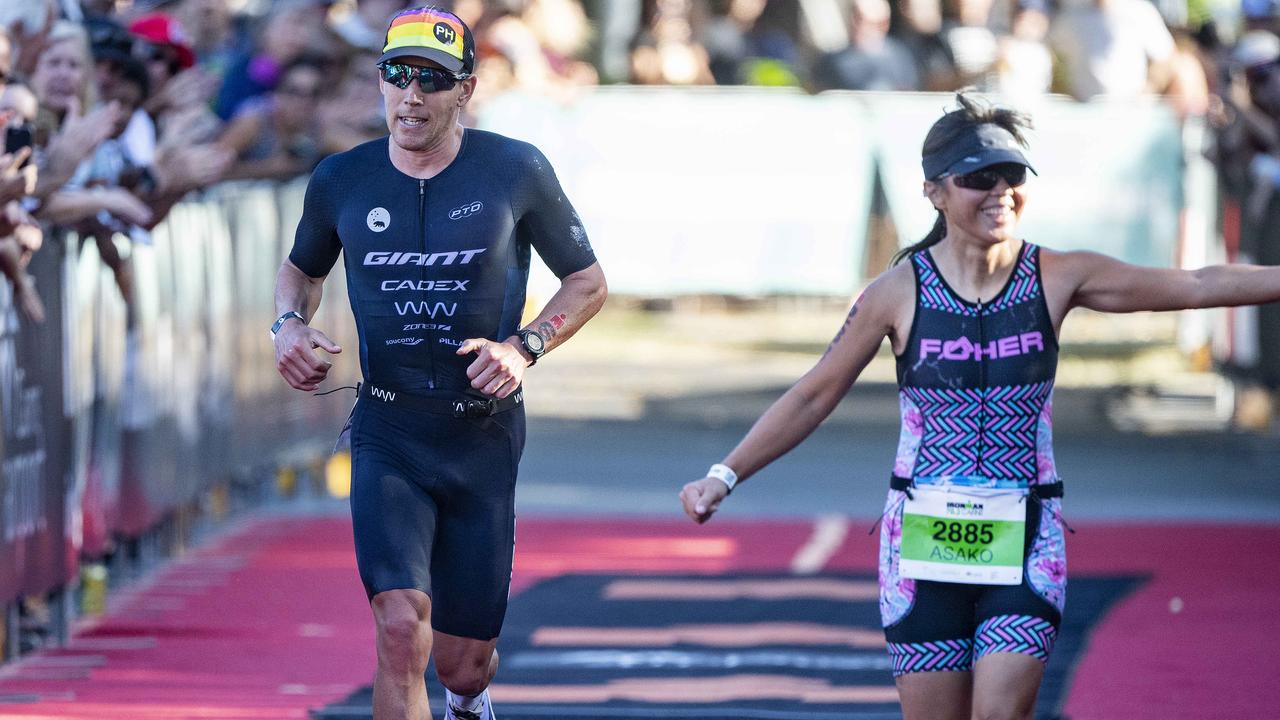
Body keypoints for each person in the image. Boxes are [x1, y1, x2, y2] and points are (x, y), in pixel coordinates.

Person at [678, 92, 1280, 719]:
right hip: (922, 545)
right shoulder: (896, 292)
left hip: (1026, 536)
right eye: (977, 178)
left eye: (1012, 175)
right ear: (935, 192)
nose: (999, 192)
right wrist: (725, 475)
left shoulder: (1057, 275)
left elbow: (1195, 285)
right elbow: (812, 394)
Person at [271, 7, 606, 720]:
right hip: (389, 431)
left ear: (466, 90)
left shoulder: (514, 169)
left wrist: (525, 346)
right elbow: (299, 271)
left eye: (432, 79)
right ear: (381, 82)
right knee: (399, 629)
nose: (412, 95)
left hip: (479, 433)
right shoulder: (341, 179)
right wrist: (288, 325)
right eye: (398, 75)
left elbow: (587, 282)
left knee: (463, 661)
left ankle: (466, 702)